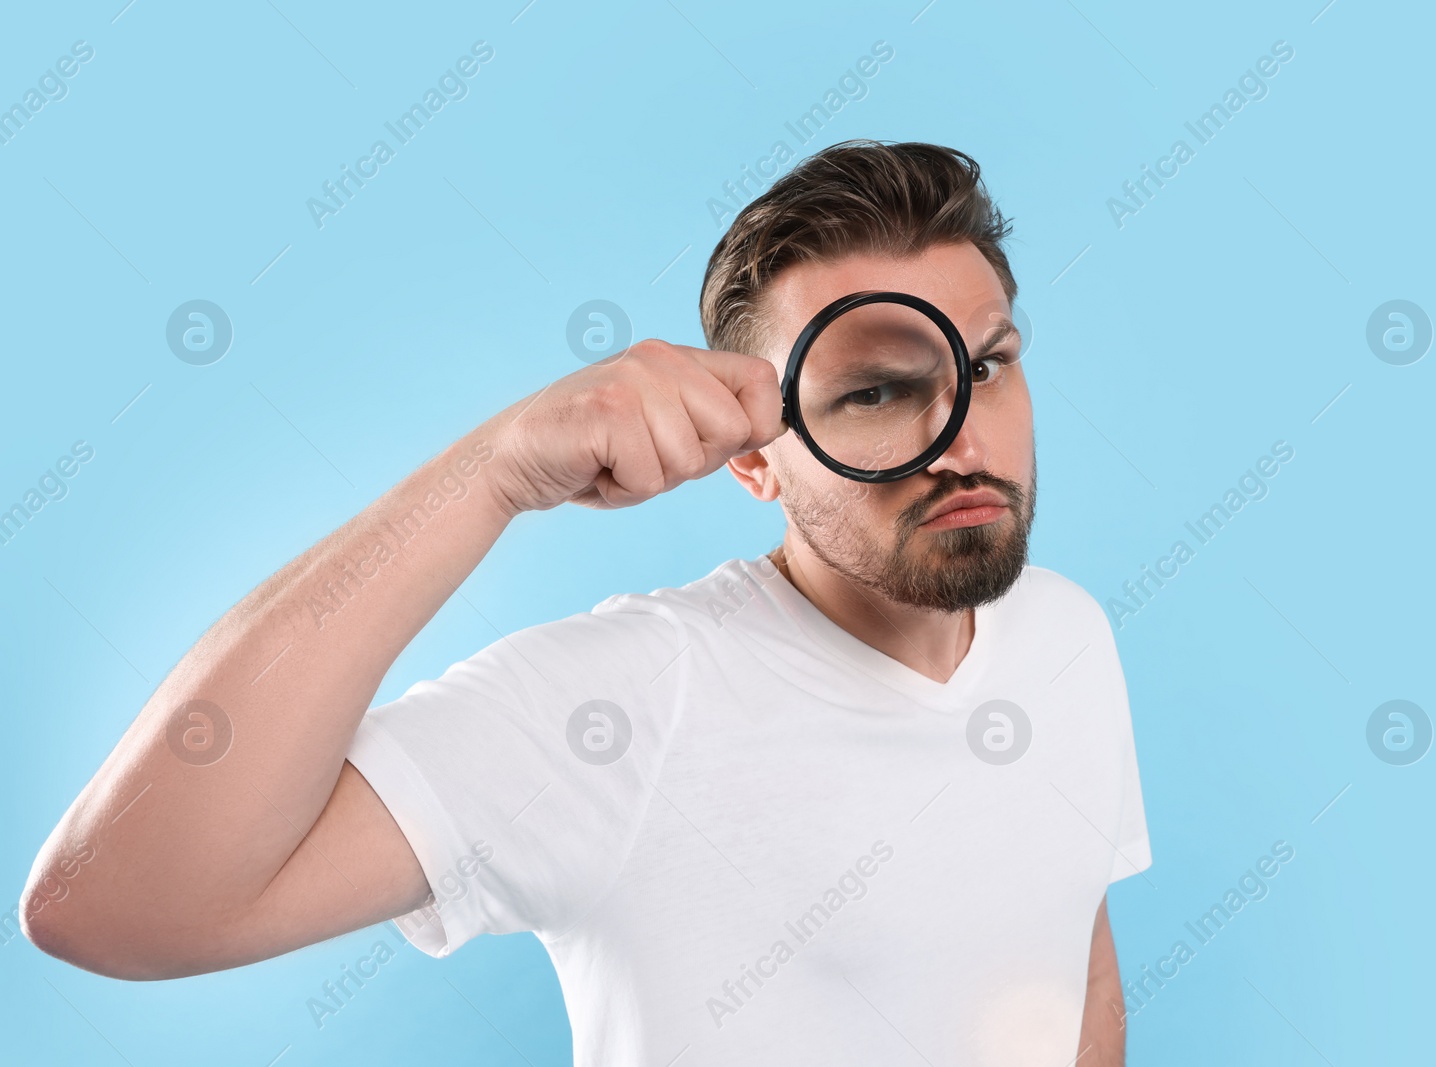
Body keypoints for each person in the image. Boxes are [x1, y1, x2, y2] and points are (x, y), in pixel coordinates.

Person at [21, 139, 1152, 1065]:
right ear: (756, 461)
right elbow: (112, 901)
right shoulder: (626, 705)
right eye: (871, 390)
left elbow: (1070, 962)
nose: (959, 444)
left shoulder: (1067, 635)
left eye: (988, 365)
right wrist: (493, 471)